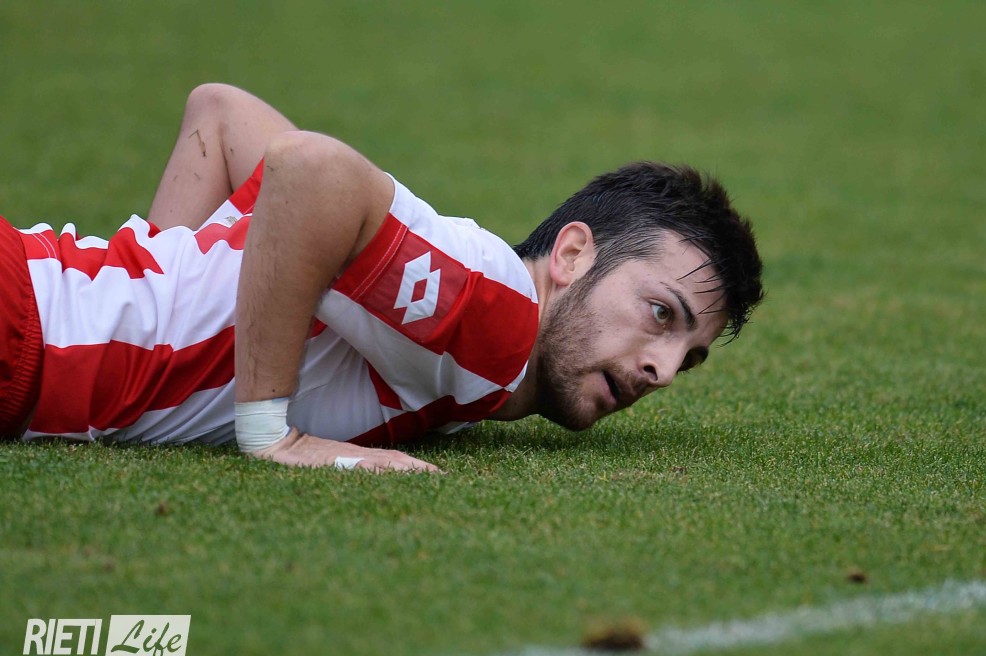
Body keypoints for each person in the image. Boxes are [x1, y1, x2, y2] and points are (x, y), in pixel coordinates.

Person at [0, 84, 764, 472]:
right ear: (569, 257)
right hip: (23, 327)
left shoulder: (477, 363)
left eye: (690, 356)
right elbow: (313, 170)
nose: (665, 369)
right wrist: (271, 434)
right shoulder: (500, 321)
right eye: (661, 314)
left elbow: (221, 114)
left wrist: (163, 283)